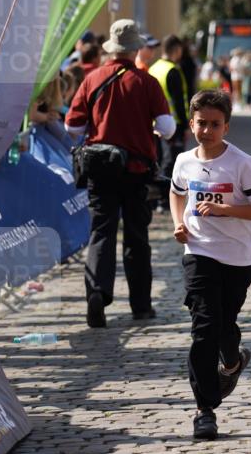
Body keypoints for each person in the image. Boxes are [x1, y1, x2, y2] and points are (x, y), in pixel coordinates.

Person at [169, 89, 251, 441]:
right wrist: (178, 223)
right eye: (201, 124)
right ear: (191, 123)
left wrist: (224, 209)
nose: (207, 131)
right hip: (198, 251)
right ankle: (205, 410)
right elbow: (177, 191)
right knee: (203, 328)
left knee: (224, 325)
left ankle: (232, 361)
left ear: (226, 126)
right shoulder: (184, 161)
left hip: (237, 257)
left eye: (215, 125)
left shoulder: (242, 163)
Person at [66, 19, 176, 327]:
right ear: (136, 49)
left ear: (111, 49)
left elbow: (72, 126)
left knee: (101, 231)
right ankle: (140, 306)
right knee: (137, 237)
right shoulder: (146, 82)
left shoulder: (91, 79)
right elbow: (167, 128)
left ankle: (97, 293)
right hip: (137, 169)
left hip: (100, 168)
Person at [150, 35, 191, 207]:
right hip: (173, 125)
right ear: (176, 49)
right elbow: (178, 101)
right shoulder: (172, 70)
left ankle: (158, 196)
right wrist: (186, 124)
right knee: (172, 162)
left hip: (154, 124)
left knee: (160, 160)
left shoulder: (154, 68)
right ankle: (166, 199)